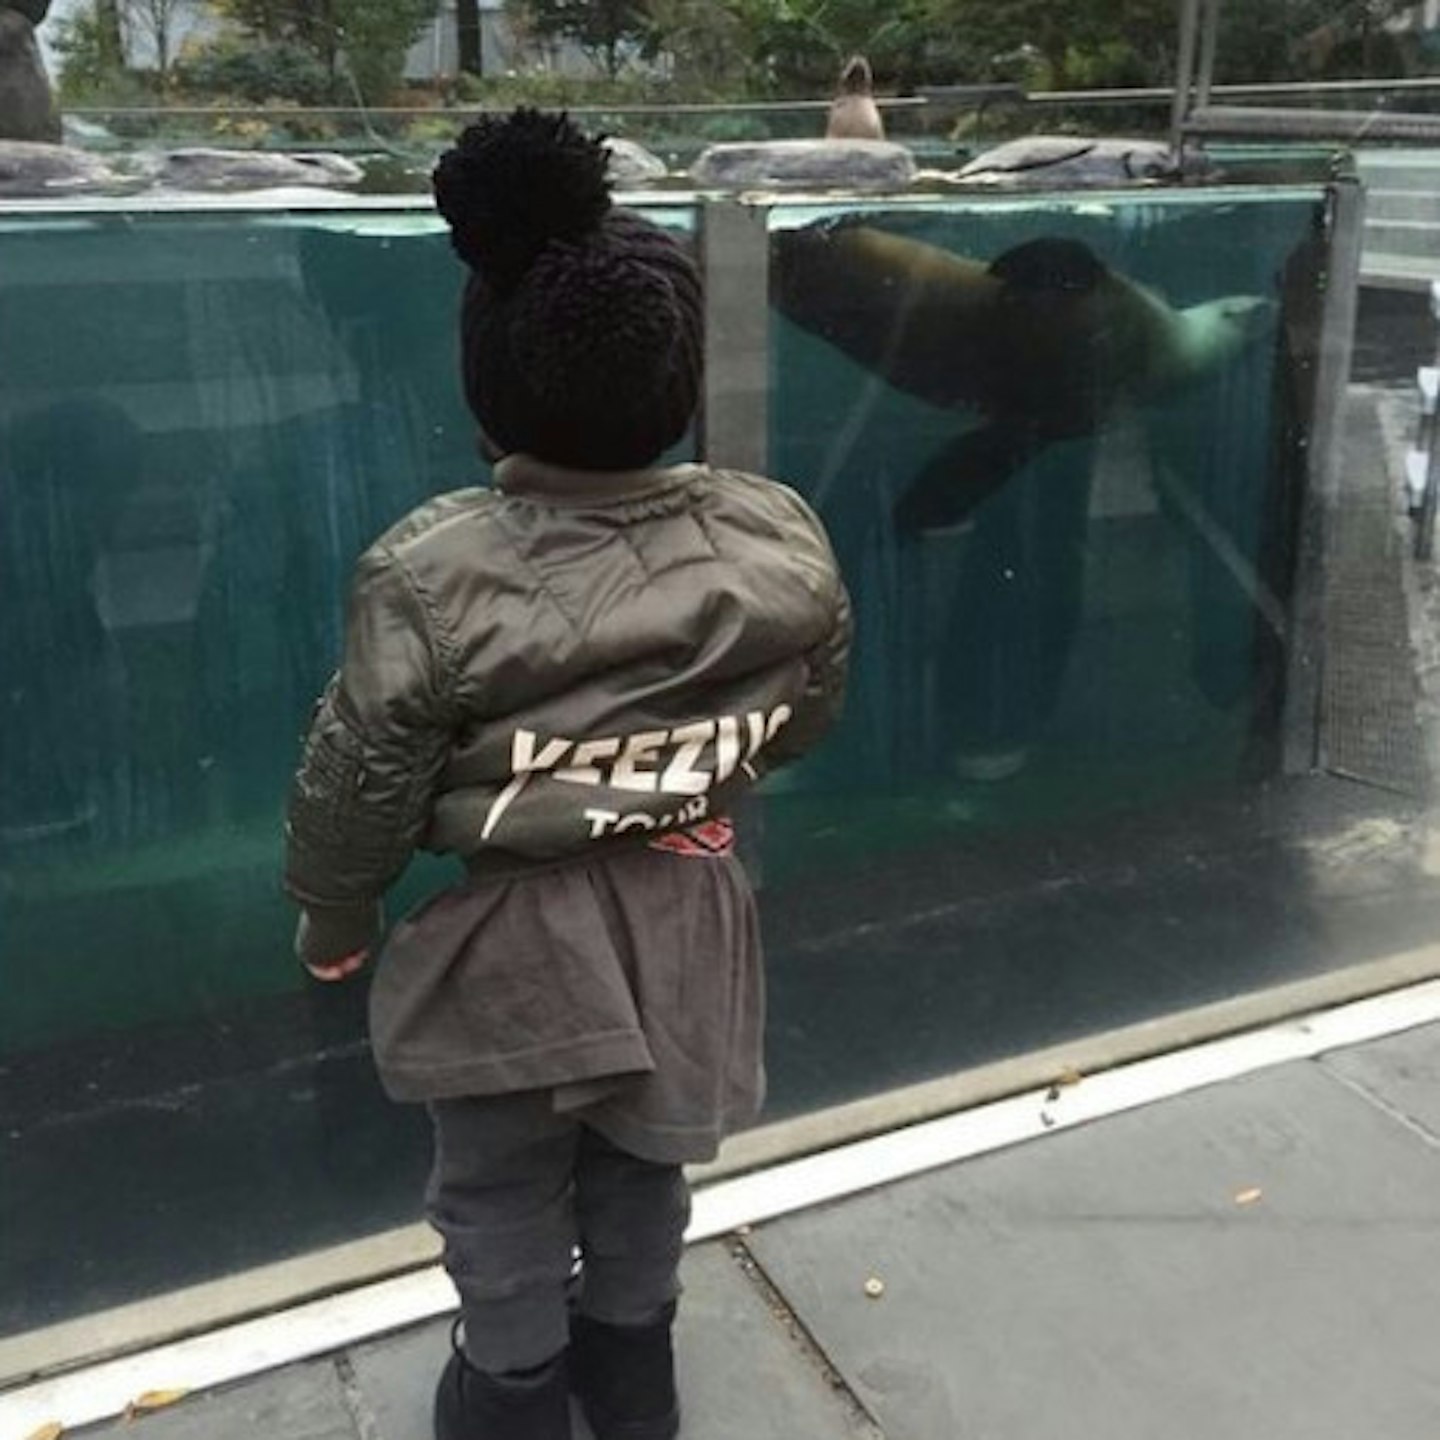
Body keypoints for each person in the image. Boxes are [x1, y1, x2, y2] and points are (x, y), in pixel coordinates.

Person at [283, 109, 852, 1440]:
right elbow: (807, 716)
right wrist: (672, 768)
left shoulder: (432, 572)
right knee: (647, 1164)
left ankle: (515, 1392)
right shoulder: (776, 534)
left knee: (497, 1185)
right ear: (679, 379)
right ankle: (632, 1373)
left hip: (510, 942)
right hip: (694, 915)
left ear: (488, 382)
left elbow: (358, 773)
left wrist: (337, 914)